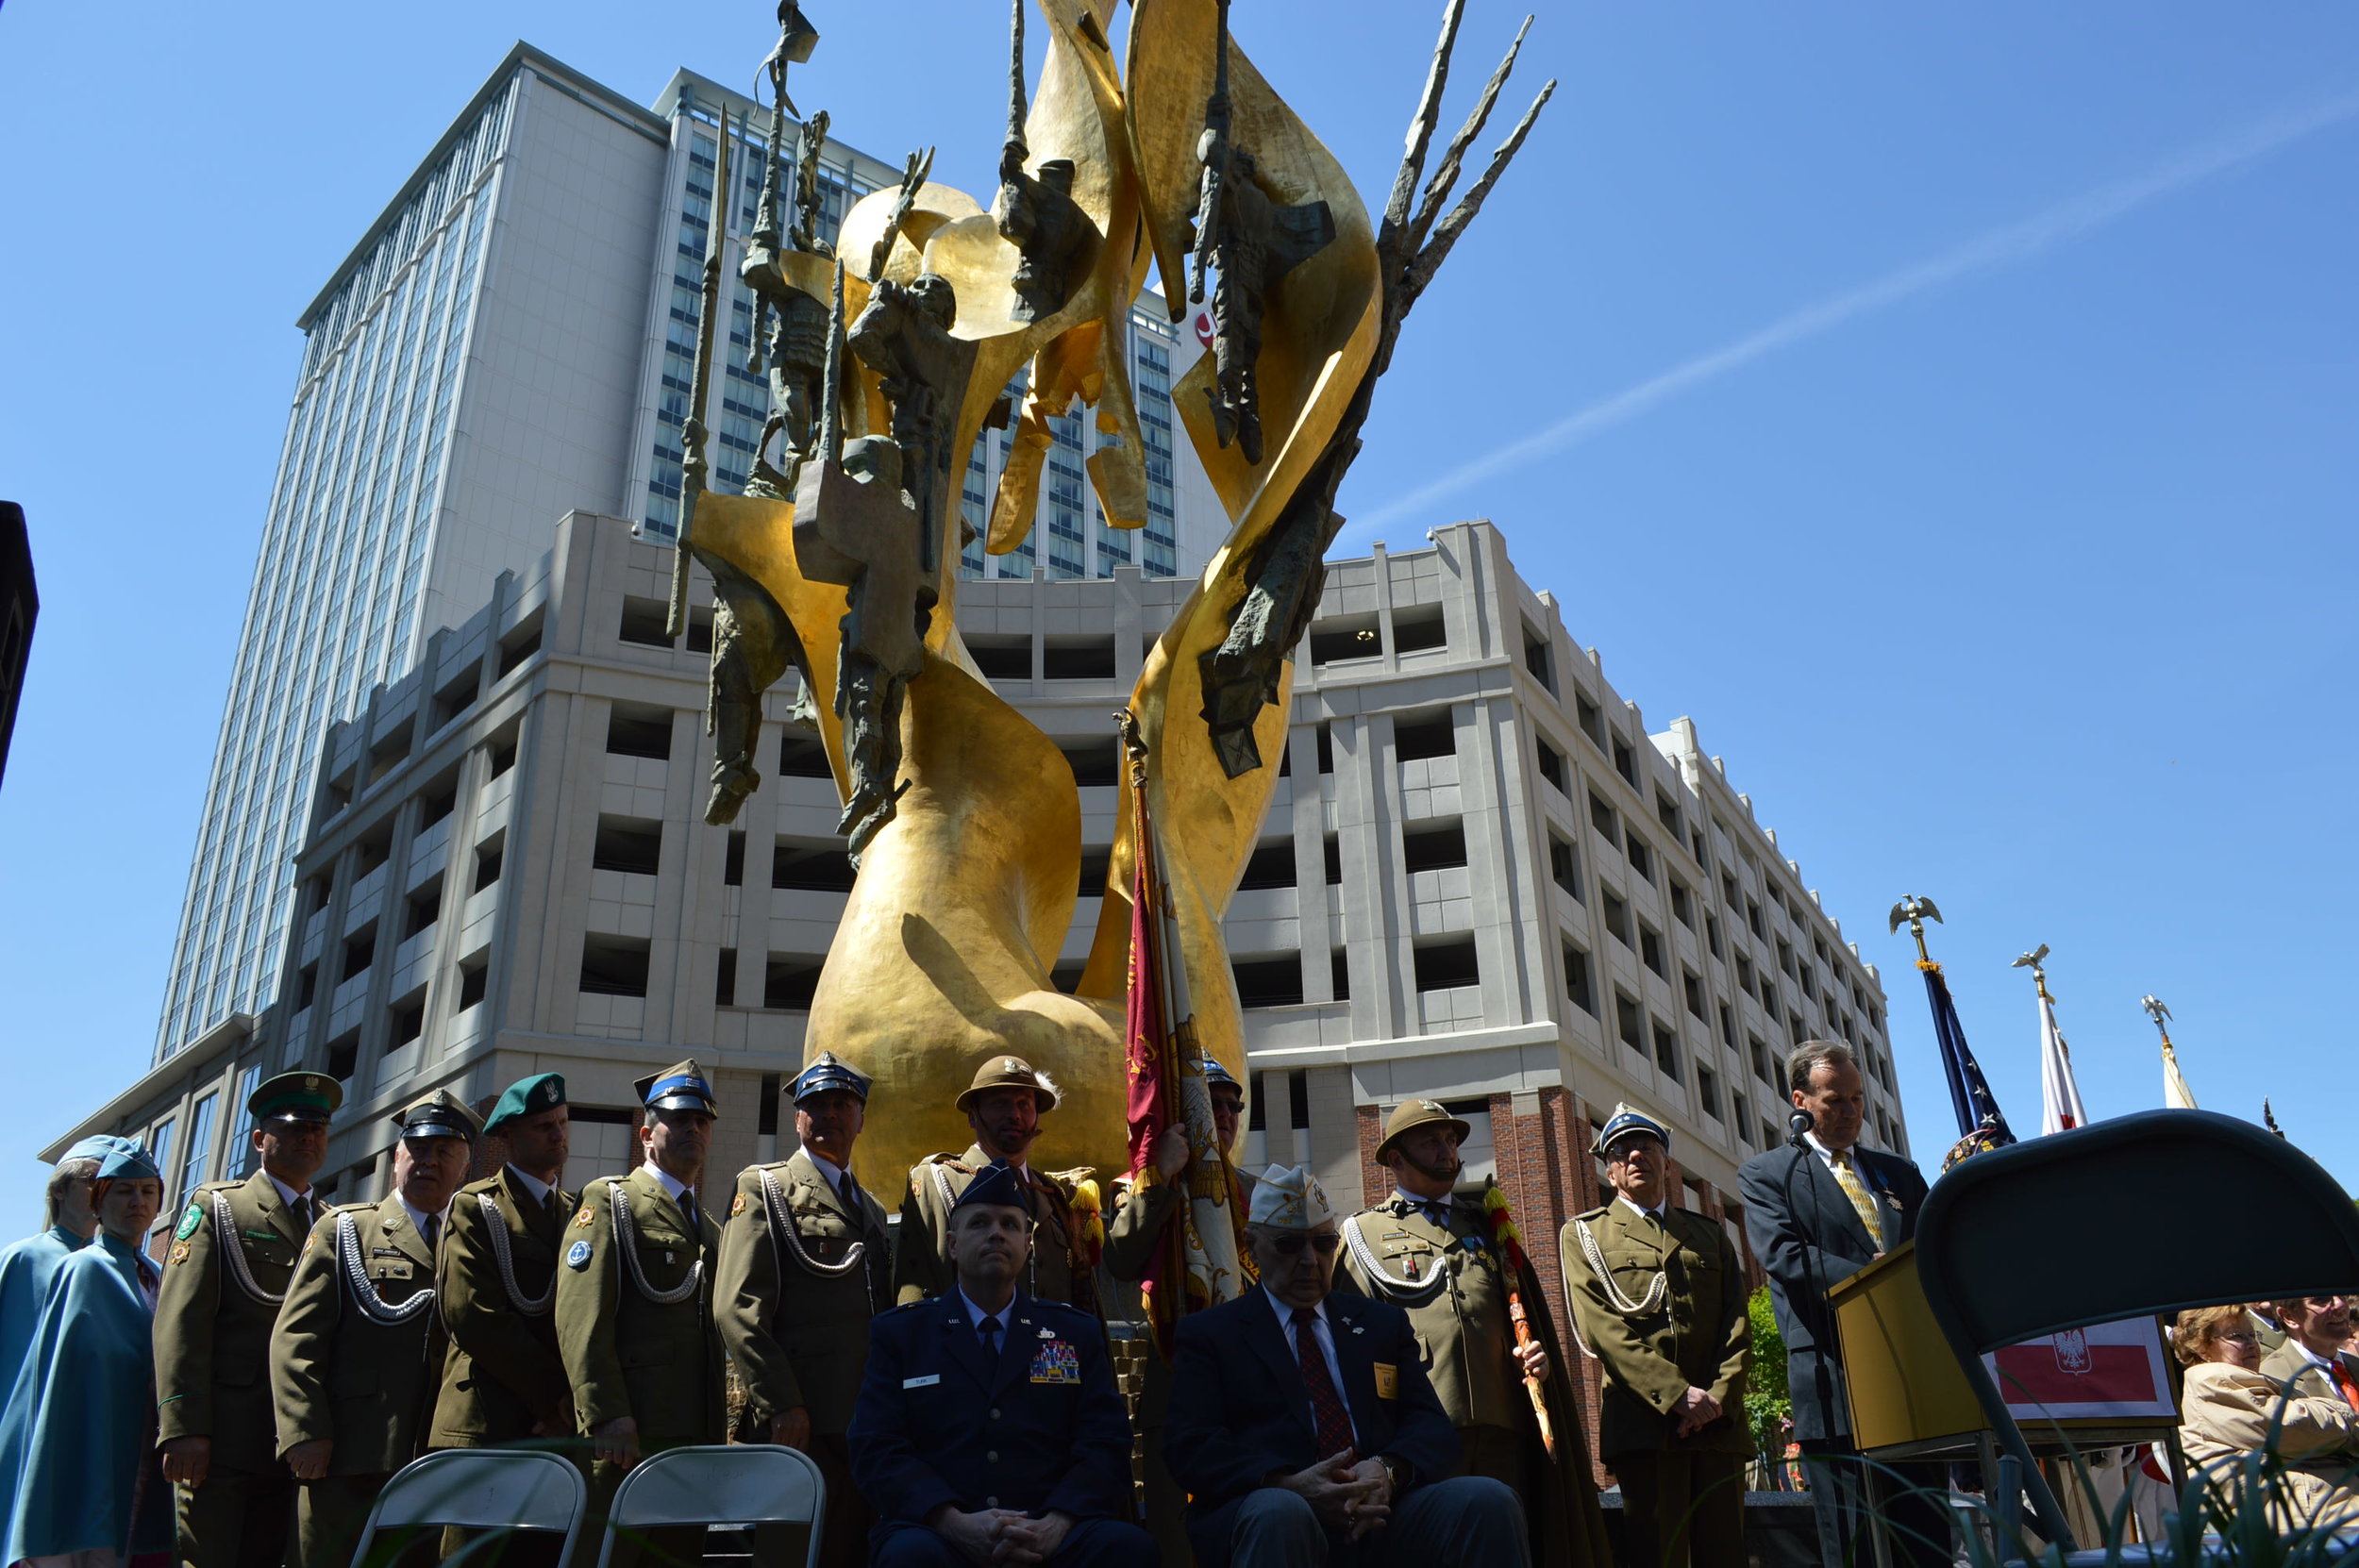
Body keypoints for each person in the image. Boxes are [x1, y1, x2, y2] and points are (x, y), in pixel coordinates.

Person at [1163, 1165, 1531, 1568]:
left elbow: (1431, 1428)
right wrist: (1287, 1485)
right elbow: (1191, 1447)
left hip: (1380, 1512)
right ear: (1251, 1245)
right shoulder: (1212, 1334)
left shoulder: (1378, 1323)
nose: (1310, 1260)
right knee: (1280, 1513)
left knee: (1487, 1500)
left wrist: (1385, 1471)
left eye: (1323, 1244)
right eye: (1289, 1245)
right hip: (1274, 1514)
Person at [1333, 1099, 1605, 1562]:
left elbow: (1519, 1312)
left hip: (1503, 1425)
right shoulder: (1365, 1233)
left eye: (1451, 1140)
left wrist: (1531, 1352)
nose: (1446, 1150)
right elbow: (1346, 1346)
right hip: (1420, 1434)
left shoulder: (1488, 1225)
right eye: (1430, 1141)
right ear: (1395, 1159)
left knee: (1506, 1542)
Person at [847, 1160, 1148, 1567]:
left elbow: (1105, 1443)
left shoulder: (1072, 1332)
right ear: (952, 1245)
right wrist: (952, 1523)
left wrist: (1056, 1525)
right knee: (910, 1557)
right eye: (979, 1224)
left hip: (1051, 1528)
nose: (995, 1233)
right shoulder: (903, 1335)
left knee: (1127, 1548)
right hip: (939, 1532)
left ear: (1027, 1244)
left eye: (1009, 1224)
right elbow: (876, 1447)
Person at [1738, 1039, 1950, 1568]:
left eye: (1858, 1099)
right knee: (1854, 1544)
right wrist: (1878, 1279)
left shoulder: (1897, 1171)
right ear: (1800, 1101)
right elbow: (1786, 1256)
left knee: (1925, 1540)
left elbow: (1933, 1248)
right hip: (1834, 1383)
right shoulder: (1771, 1175)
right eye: (1835, 1100)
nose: (1852, 1111)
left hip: (1911, 1383)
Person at [270, 1090, 479, 1568]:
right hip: (348, 1454)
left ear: (464, 1167)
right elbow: (296, 1338)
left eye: (445, 1151)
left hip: (436, 1456)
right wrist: (304, 1432)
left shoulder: (474, 1239)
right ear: (396, 1159)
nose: (430, 1161)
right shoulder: (345, 1229)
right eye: (419, 1149)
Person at [715, 1052, 895, 1568]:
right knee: (790, 1553)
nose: (830, 1114)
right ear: (797, 1119)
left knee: (849, 1549)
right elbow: (736, 1307)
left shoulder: (872, 1208)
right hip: (799, 1422)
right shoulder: (765, 1188)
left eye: (843, 1104)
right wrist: (780, 1403)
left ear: (861, 1119)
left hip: (861, 1421)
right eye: (815, 1104)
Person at [155, 1069, 341, 1568]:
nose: (308, 1137)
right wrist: (183, 1426)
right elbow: (180, 1321)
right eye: (294, 1127)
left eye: (317, 1128)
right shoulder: (218, 1207)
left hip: (295, 1442)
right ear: (260, 1138)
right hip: (225, 1438)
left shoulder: (333, 1222)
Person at [1561, 1105, 1750, 1568]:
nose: (1635, 1156)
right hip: (1645, 1425)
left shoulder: (1708, 1235)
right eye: (1622, 1152)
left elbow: (1737, 1325)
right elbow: (1602, 1331)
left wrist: (1716, 1399)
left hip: (1717, 1427)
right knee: (1654, 1556)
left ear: (1668, 1163)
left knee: (1725, 1556)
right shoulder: (1585, 1236)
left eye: (1647, 1147)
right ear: (1610, 1170)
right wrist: (1676, 1396)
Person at [556, 1060, 726, 1568]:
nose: (693, 1129)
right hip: (632, 1431)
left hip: (693, 1430)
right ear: (648, 1134)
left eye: (701, 1121)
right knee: (615, 1554)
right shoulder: (611, 1202)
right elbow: (580, 1317)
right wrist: (604, 1411)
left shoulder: (709, 1226)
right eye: (679, 1119)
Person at [1102, 1059, 1253, 1562]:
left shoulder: (1260, 1193)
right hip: (1175, 1391)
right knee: (1180, 1545)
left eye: (1235, 1104)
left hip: (1254, 1397)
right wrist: (1162, 1178)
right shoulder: (1143, 1185)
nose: (1228, 1113)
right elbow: (1121, 1258)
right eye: (1213, 1101)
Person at [429, 1072, 576, 1565]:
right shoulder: (476, 1207)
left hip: (554, 1435)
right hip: (490, 1423)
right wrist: (554, 1399)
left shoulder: (577, 1214)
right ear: (508, 1137)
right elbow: (473, 1316)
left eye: (561, 1122)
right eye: (542, 1126)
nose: (558, 1134)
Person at [0, 1140, 169, 1567]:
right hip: (47, 1438)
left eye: (147, 1191)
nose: (135, 1202)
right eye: (104, 1184)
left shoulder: (149, 1272)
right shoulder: (38, 1260)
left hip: (125, 1447)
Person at [897, 1056, 1097, 1312]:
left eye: (1024, 1104)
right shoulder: (937, 1182)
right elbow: (916, 1294)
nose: (1014, 1114)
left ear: (1037, 1116)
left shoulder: (1054, 1196)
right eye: (1000, 1104)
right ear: (973, 1117)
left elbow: (1083, 1297)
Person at [2176, 1304, 2359, 1527]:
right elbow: (2290, 1427)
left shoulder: (2243, 1380)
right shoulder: (2213, 1379)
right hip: (2299, 1510)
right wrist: (2343, 1411)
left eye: (2252, 1335)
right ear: (2202, 1347)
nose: (2251, 1343)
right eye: (2237, 1336)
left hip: (2311, 1500)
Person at [0, 1137, 114, 1376]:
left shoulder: (114, 1267)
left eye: (111, 1184)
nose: (103, 1192)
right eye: (93, 1181)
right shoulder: (21, 1257)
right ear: (59, 1190)